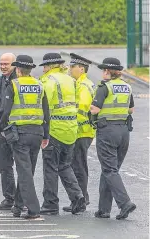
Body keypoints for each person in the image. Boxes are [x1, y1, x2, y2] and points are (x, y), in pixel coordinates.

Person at [0, 55, 50, 219]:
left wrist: (1, 128)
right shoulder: (40, 85)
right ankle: (18, 206)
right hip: (37, 132)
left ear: (18, 70)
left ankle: (33, 208)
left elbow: (5, 110)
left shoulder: (14, 84)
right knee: (27, 170)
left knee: (24, 171)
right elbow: (46, 111)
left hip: (20, 133)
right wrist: (46, 134)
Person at [39, 53, 86, 215]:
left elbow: (44, 107)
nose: (43, 69)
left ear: (50, 66)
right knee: (64, 165)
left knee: (50, 167)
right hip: (71, 129)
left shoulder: (48, 81)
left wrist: (42, 131)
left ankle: (50, 204)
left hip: (54, 130)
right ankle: (77, 196)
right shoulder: (70, 80)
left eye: (44, 66)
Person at [90, 57, 136, 220]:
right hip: (123, 132)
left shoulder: (104, 87)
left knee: (109, 170)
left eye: (104, 70)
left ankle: (125, 203)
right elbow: (131, 110)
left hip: (107, 131)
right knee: (110, 170)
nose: (102, 73)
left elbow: (95, 109)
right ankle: (104, 209)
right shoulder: (127, 86)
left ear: (108, 72)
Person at [62, 53, 96, 212]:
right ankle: (83, 198)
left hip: (81, 132)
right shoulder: (82, 83)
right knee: (78, 165)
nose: (69, 69)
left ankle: (81, 201)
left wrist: (70, 119)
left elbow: (82, 107)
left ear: (81, 69)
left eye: (72, 67)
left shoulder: (83, 86)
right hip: (84, 131)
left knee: (78, 166)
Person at [0, 53, 18, 210]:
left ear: (14, 64)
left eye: (6, 64)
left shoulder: (18, 82)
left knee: (22, 166)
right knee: (4, 166)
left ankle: (21, 200)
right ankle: (9, 198)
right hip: (0, 130)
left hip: (15, 130)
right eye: (1, 63)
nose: (3, 66)